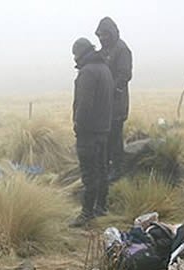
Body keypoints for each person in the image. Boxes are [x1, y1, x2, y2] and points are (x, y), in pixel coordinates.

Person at [70, 38, 113, 227]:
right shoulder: (104, 69)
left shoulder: (87, 72)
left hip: (89, 132)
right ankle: (101, 207)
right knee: (102, 170)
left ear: (80, 52)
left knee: (89, 173)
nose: (74, 58)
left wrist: (79, 125)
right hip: (104, 129)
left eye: (75, 54)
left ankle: (87, 213)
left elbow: (84, 104)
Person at [96, 16, 133, 184]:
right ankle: (108, 166)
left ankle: (118, 169)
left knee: (115, 136)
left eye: (105, 35)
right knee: (105, 135)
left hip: (116, 103)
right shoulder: (105, 50)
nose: (102, 38)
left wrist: (110, 90)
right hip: (104, 104)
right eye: (100, 35)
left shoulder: (121, 49)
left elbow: (125, 75)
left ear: (112, 33)